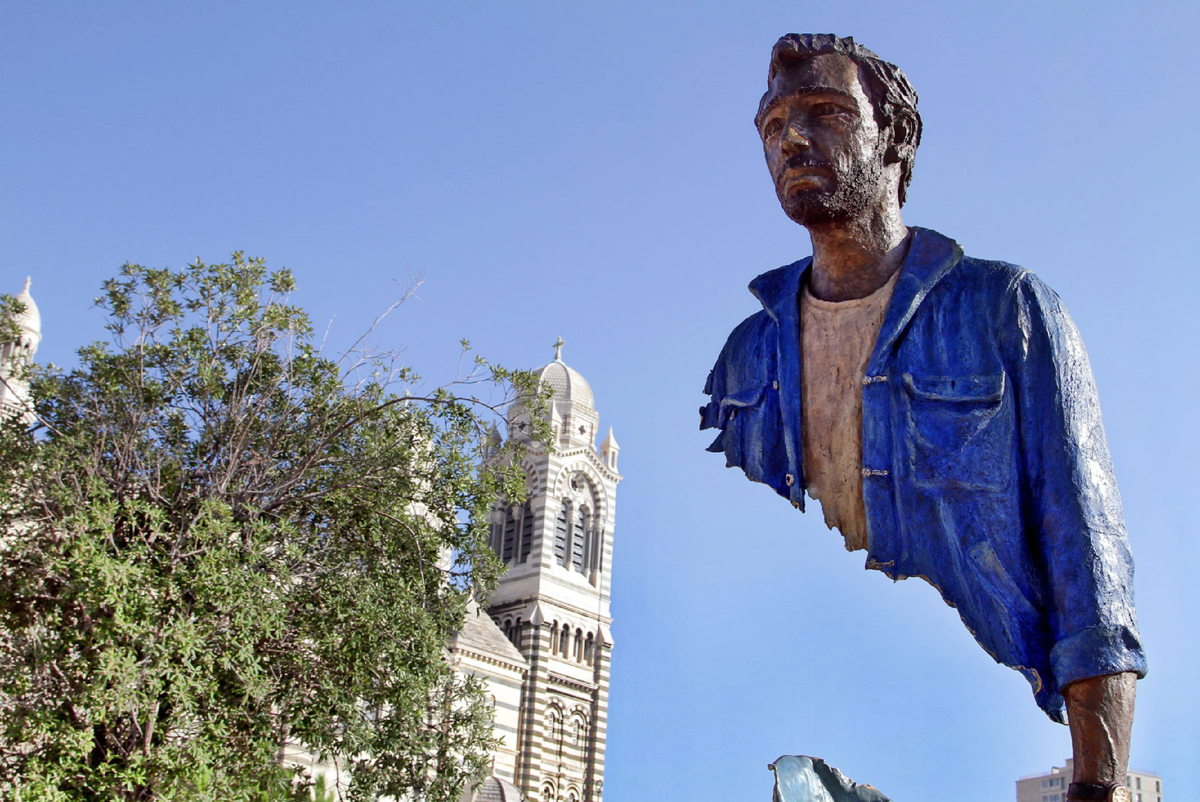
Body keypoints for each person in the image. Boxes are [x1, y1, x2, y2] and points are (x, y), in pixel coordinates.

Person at [699, 34, 1145, 802]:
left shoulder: (1004, 307)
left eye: (826, 112)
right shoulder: (744, 359)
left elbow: (1089, 560)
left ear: (895, 136)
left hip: (990, 754)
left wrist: (1096, 784)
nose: (791, 140)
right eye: (772, 127)